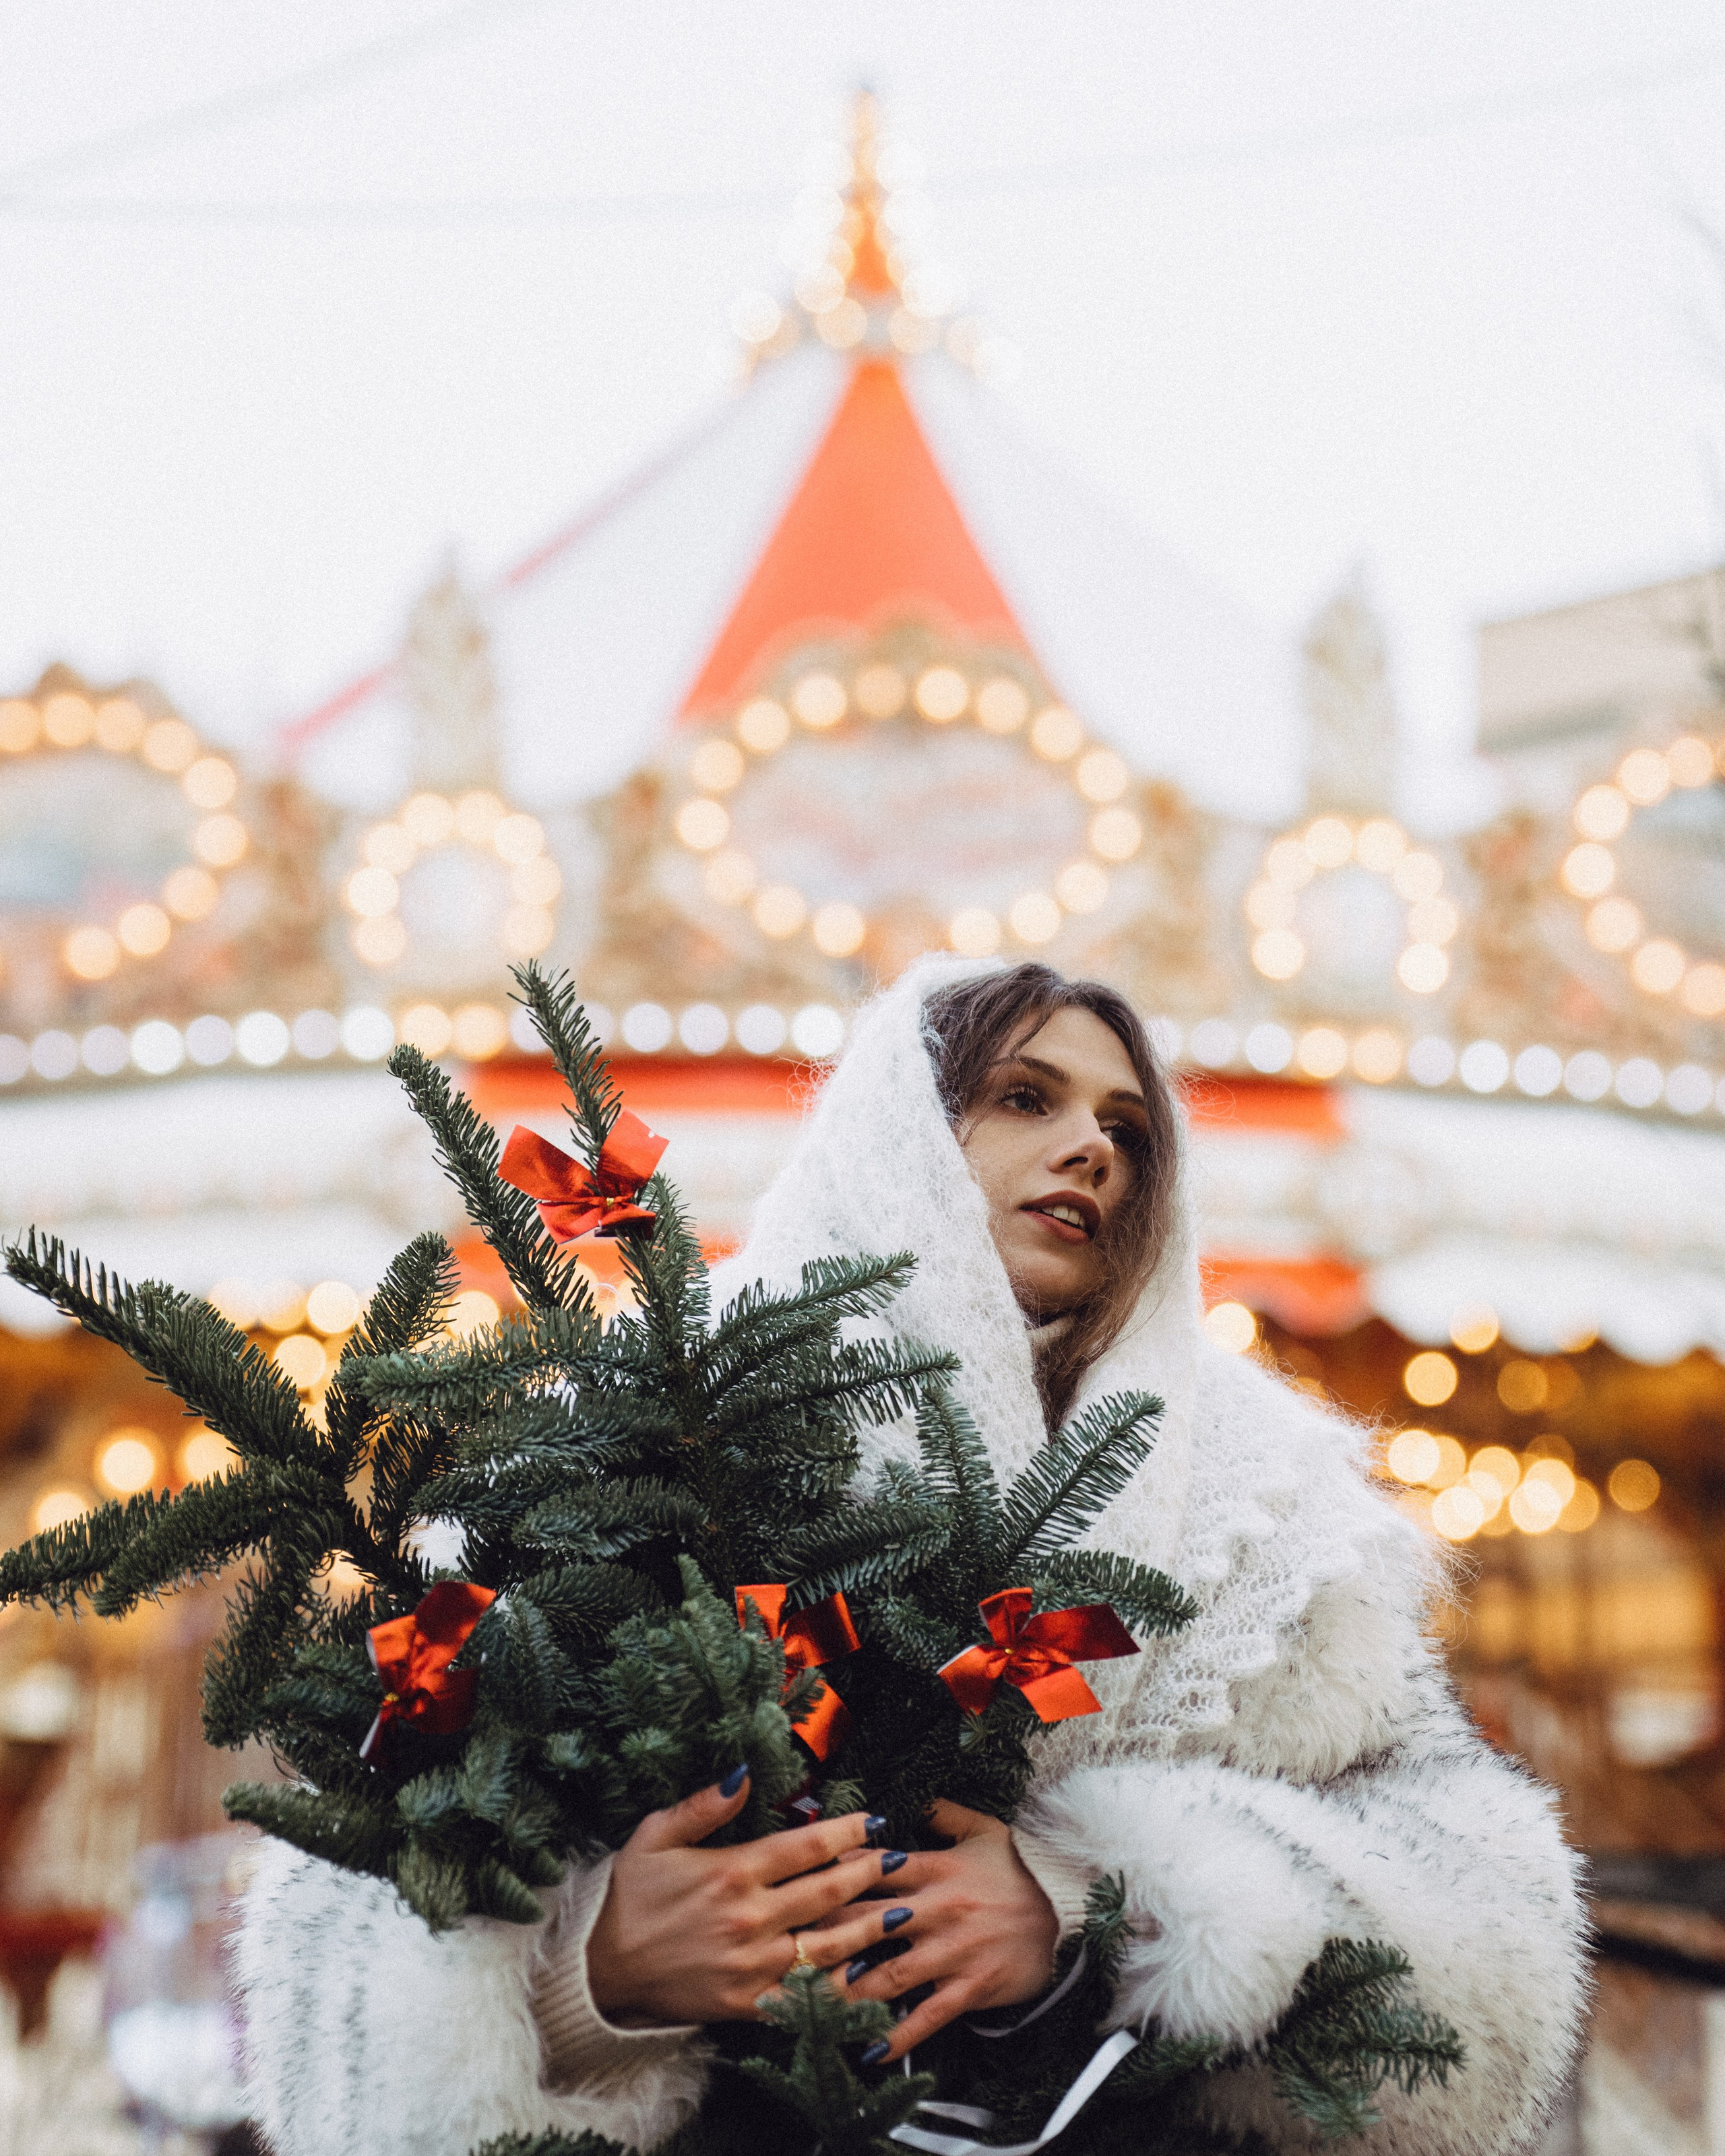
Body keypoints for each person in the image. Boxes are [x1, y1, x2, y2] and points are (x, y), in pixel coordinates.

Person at [234, 955, 1586, 2155]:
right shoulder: (631, 1427)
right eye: (1024, 1096)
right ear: (899, 1129)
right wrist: (595, 1971)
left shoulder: (1282, 1521)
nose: (1092, 1147)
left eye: (1125, 1124)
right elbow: (356, 1867)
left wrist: (1104, 1903)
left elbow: (1484, 1907)